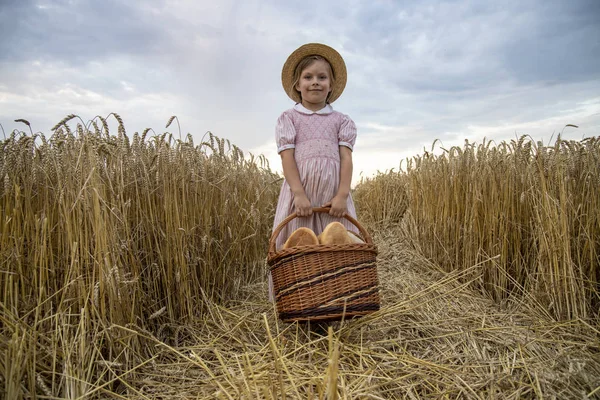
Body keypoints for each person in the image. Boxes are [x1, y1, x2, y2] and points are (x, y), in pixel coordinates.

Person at [269, 43, 360, 301]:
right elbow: (287, 158)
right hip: (302, 195)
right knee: (299, 246)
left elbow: (346, 159)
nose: (315, 83)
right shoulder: (289, 118)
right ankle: (299, 299)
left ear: (332, 85)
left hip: (332, 196)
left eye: (322, 77)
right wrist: (298, 194)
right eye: (308, 77)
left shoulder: (341, 121)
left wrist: (342, 195)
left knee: (337, 244)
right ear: (297, 84)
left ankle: (337, 299)